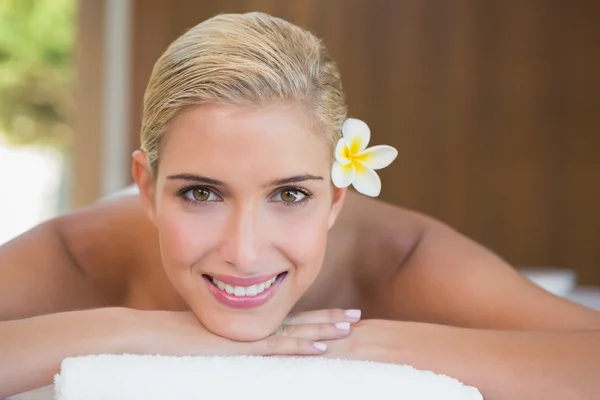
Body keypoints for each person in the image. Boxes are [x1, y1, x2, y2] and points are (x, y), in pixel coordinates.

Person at [1, 12, 599, 399]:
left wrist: (339, 343)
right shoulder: (78, 255)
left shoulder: (401, 259)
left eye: (290, 194)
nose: (245, 251)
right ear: (147, 186)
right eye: (200, 193)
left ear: (337, 196)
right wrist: (136, 330)